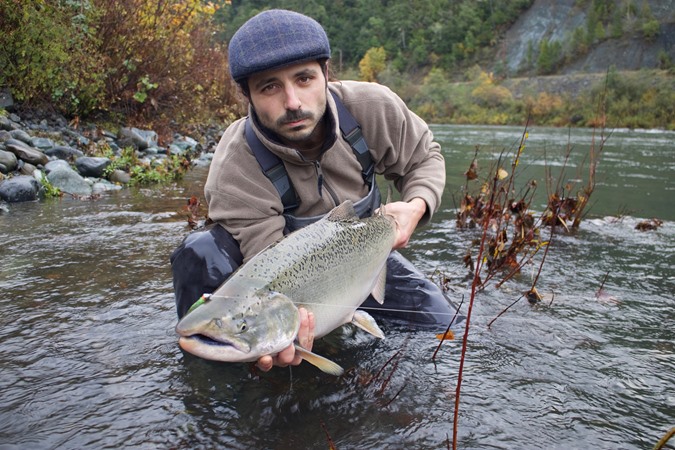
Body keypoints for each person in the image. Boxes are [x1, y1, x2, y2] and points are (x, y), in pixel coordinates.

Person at [171, 9, 457, 373]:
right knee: (200, 251)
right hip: (292, 270)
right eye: (270, 87)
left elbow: (423, 157)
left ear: (326, 73)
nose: (292, 102)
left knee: (447, 327)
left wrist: (416, 205)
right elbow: (271, 267)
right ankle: (217, 372)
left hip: (364, 255)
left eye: (304, 78)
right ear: (247, 95)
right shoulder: (235, 164)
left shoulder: (370, 108)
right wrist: (285, 329)